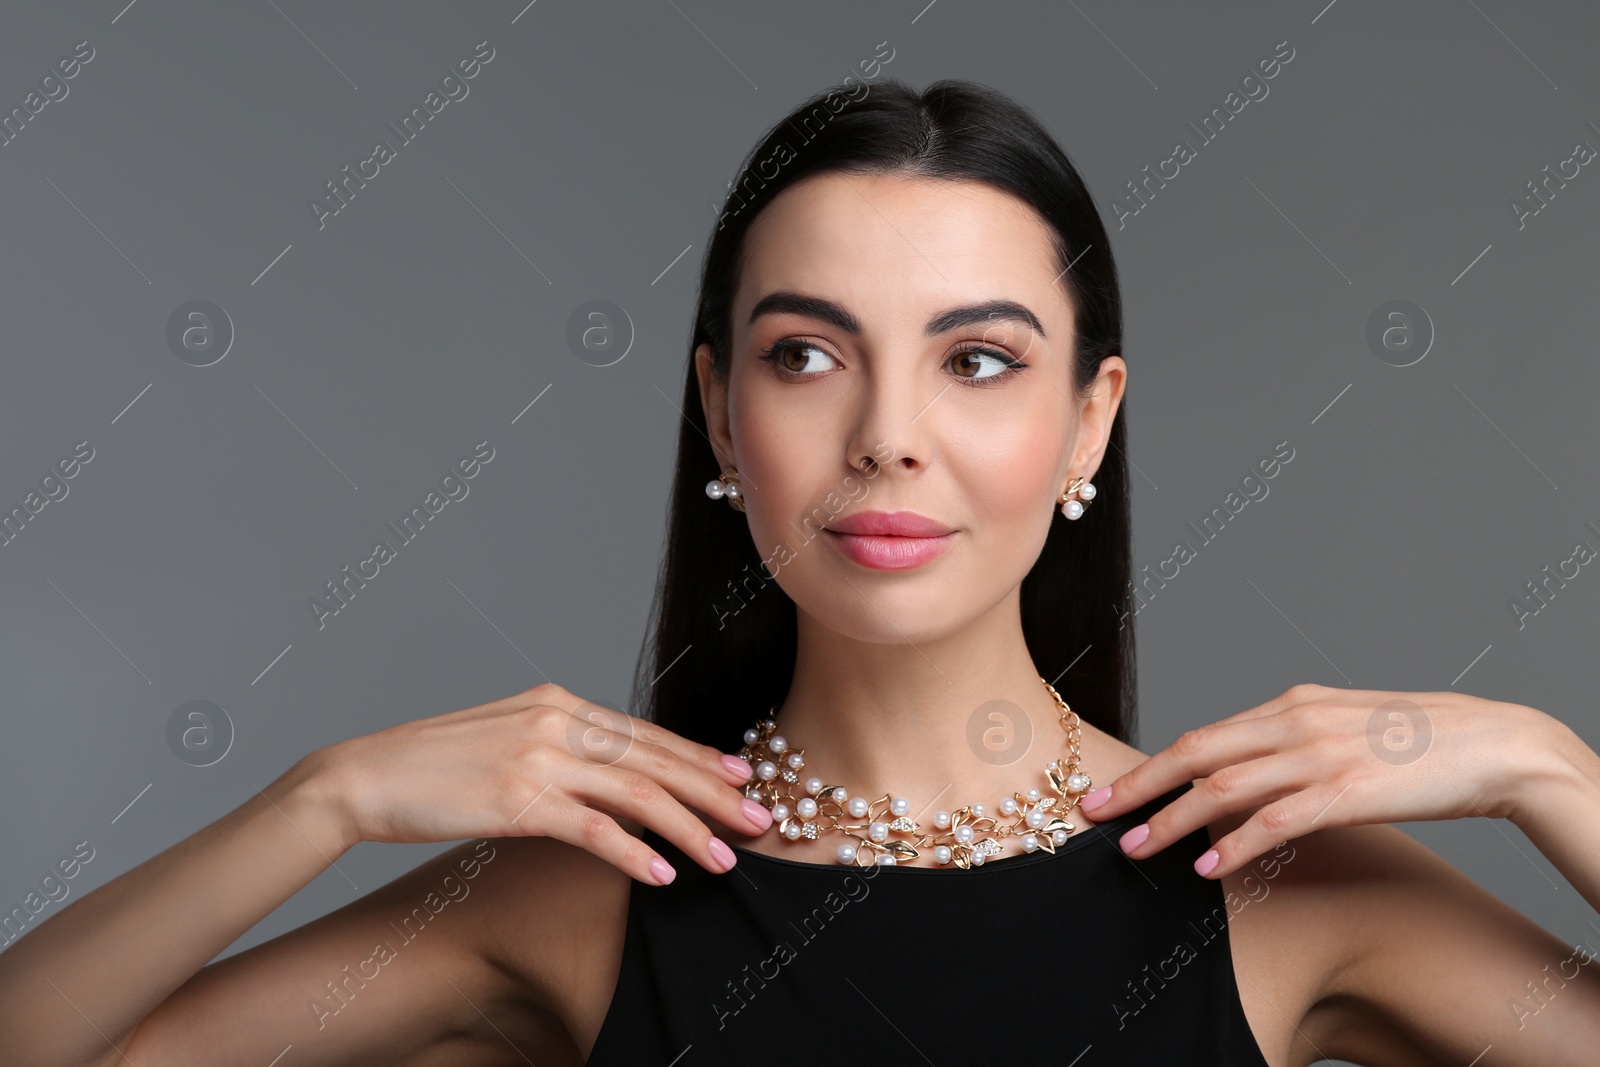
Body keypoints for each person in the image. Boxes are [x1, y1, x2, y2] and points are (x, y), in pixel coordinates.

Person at [3, 77, 1598, 1066]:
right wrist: (325, 798)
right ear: (718, 407)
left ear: (1086, 421)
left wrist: (1550, 770)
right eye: (808, 354)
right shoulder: (594, 888)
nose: (887, 435)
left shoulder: (1267, 884)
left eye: (978, 360)